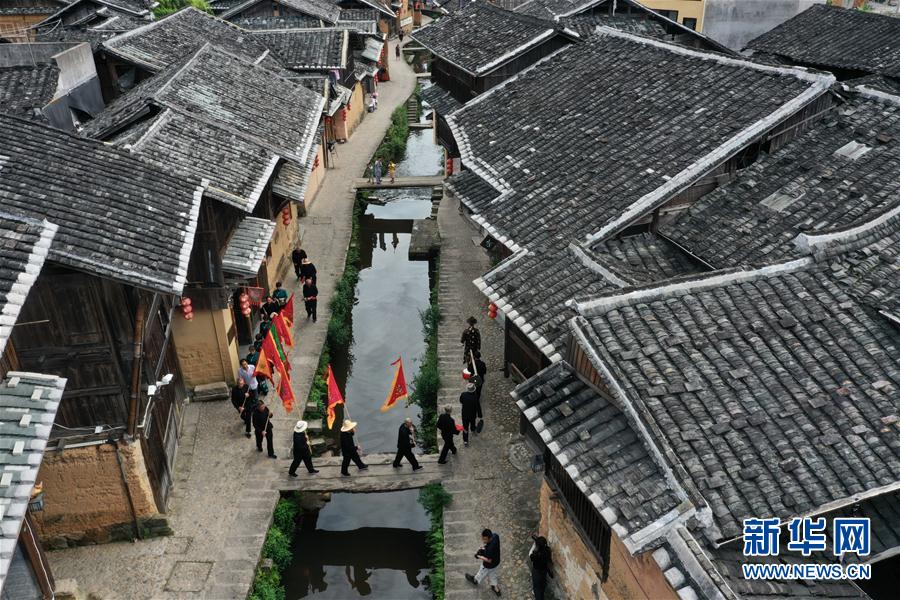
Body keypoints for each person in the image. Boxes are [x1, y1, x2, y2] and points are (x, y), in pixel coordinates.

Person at [466, 529, 501, 596]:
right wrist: (484, 547)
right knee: (493, 574)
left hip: (488, 565)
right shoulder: (495, 536)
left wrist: (478, 556)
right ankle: (495, 587)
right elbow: (491, 547)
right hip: (496, 561)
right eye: (482, 538)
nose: (483, 540)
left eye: (485, 539)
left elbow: (488, 560)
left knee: (481, 572)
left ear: (490, 538)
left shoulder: (489, 550)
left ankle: (475, 580)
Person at [529, 535, 553, 600]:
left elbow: (530, 555)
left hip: (537, 572)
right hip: (544, 570)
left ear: (538, 546)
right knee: (542, 584)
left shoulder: (536, 555)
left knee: (537, 588)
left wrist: (534, 545)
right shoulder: (547, 550)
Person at [470, 350, 487, 429]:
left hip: (473, 380)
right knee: (479, 391)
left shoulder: (472, 364)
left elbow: (469, 370)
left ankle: (474, 399)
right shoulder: (482, 364)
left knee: (474, 390)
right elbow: (484, 371)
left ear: (474, 357)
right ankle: (477, 398)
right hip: (480, 380)